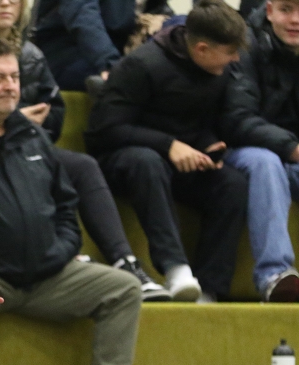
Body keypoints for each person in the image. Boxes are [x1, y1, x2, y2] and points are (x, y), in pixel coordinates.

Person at [0, 37, 142, 365]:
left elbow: (66, 205)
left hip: (50, 274)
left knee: (124, 289)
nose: (10, 86)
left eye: (14, 77)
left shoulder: (32, 134)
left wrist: (61, 250)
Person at [0, 0, 169, 303]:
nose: (6, 2)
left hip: (23, 144)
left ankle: (123, 259)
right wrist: (14, 118)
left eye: (14, 78)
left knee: (81, 167)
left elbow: (55, 113)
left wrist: (60, 251)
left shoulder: (31, 53)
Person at [85, 0, 249, 303]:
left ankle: (210, 288)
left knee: (232, 184)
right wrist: (168, 145)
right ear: (201, 49)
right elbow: (104, 130)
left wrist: (208, 144)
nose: (236, 58)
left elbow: (202, 122)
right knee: (147, 162)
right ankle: (176, 269)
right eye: (230, 52)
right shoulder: (141, 65)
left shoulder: (219, 70)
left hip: (178, 162)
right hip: (123, 159)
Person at [220, 0, 299, 301]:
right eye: (286, 9)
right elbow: (237, 119)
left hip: (288, 155)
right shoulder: (244, 46)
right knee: (266, 163)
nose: (295, 20)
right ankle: (274, 275)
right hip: (238, 149)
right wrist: (291, 147)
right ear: (269, 11)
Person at [31, 0, 173, 90]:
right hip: (70, 51)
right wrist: (109, 64)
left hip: (119, 51)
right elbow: (82, 16)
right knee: (137, 80)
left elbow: (160, 10)